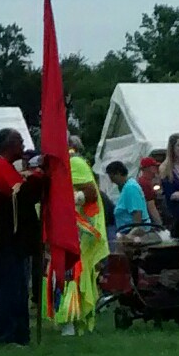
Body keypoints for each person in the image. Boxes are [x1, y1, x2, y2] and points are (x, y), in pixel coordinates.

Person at [0, 128, 43, 347]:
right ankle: (7, 337)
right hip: (4, 243)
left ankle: (19, 335)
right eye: (19, 141)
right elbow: (21, 192)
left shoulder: (4, 166)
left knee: (18, 290)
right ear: (8, 145)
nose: (24, 145)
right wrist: (38, 175)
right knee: (10, 290)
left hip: (13, 242)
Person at [55, 138, 109, 336]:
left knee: (72, 274)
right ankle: (66, 318)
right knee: (62, 274)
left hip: (77, 228)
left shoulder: (76, 164)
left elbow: (91, 193)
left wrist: (69, 199)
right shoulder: (57, 167)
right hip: (61, 227)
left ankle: (70, 320)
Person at [106, 161, 151, 237]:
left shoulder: (130, 188)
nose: (111, 181)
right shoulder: (126, 187)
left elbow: (137, 213)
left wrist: (130, 237)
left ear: (118, 173)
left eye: (112, 177)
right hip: (126, 230)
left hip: (133, 232)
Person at [136, 157, 163, 226]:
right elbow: (151, 207)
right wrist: (160, 225)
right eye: (154, 166)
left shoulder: (147, 181)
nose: (156, 168)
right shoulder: (144, 183)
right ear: (148, 168)